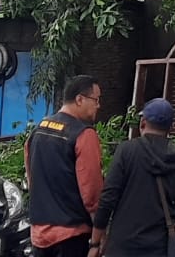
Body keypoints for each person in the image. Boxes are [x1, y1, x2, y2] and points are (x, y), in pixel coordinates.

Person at [91, 98, 175, 257]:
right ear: (171, 128)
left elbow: (108, 198)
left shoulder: (127, 151)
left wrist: (96, 242)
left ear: (143, 123)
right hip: (160, 249)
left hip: (122, 247)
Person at [27, 75, 105, 257]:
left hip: (39, 233)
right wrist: (99, 235)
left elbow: (32, 180)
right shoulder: (83, 135)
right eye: (96, 100)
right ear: (80, 99)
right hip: (71, 236)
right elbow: (92, 194)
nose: (98, 105)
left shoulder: (38, 130)